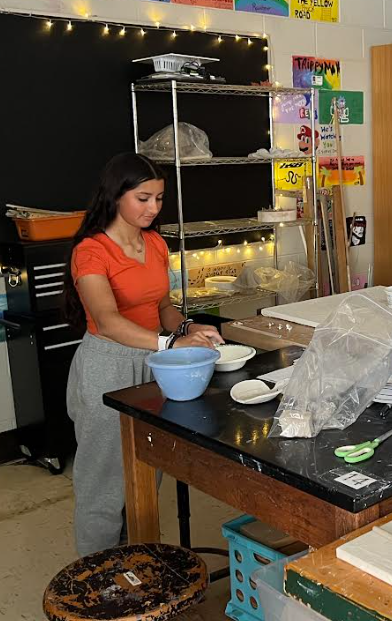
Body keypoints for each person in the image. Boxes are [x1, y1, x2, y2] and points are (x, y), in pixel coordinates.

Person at [63, 153, 224, 556]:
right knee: (103, 481)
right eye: (143, 198)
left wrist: (187, 327)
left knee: (144, 471)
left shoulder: (154, 243)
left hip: (151, 363)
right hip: (108, 364)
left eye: (159, 199)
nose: (154, 208)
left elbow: (162, 308)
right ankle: (98, 575)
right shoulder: (91, 251)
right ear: (116, 196)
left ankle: (134, 565)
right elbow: (108, 320)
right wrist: (170, 344)